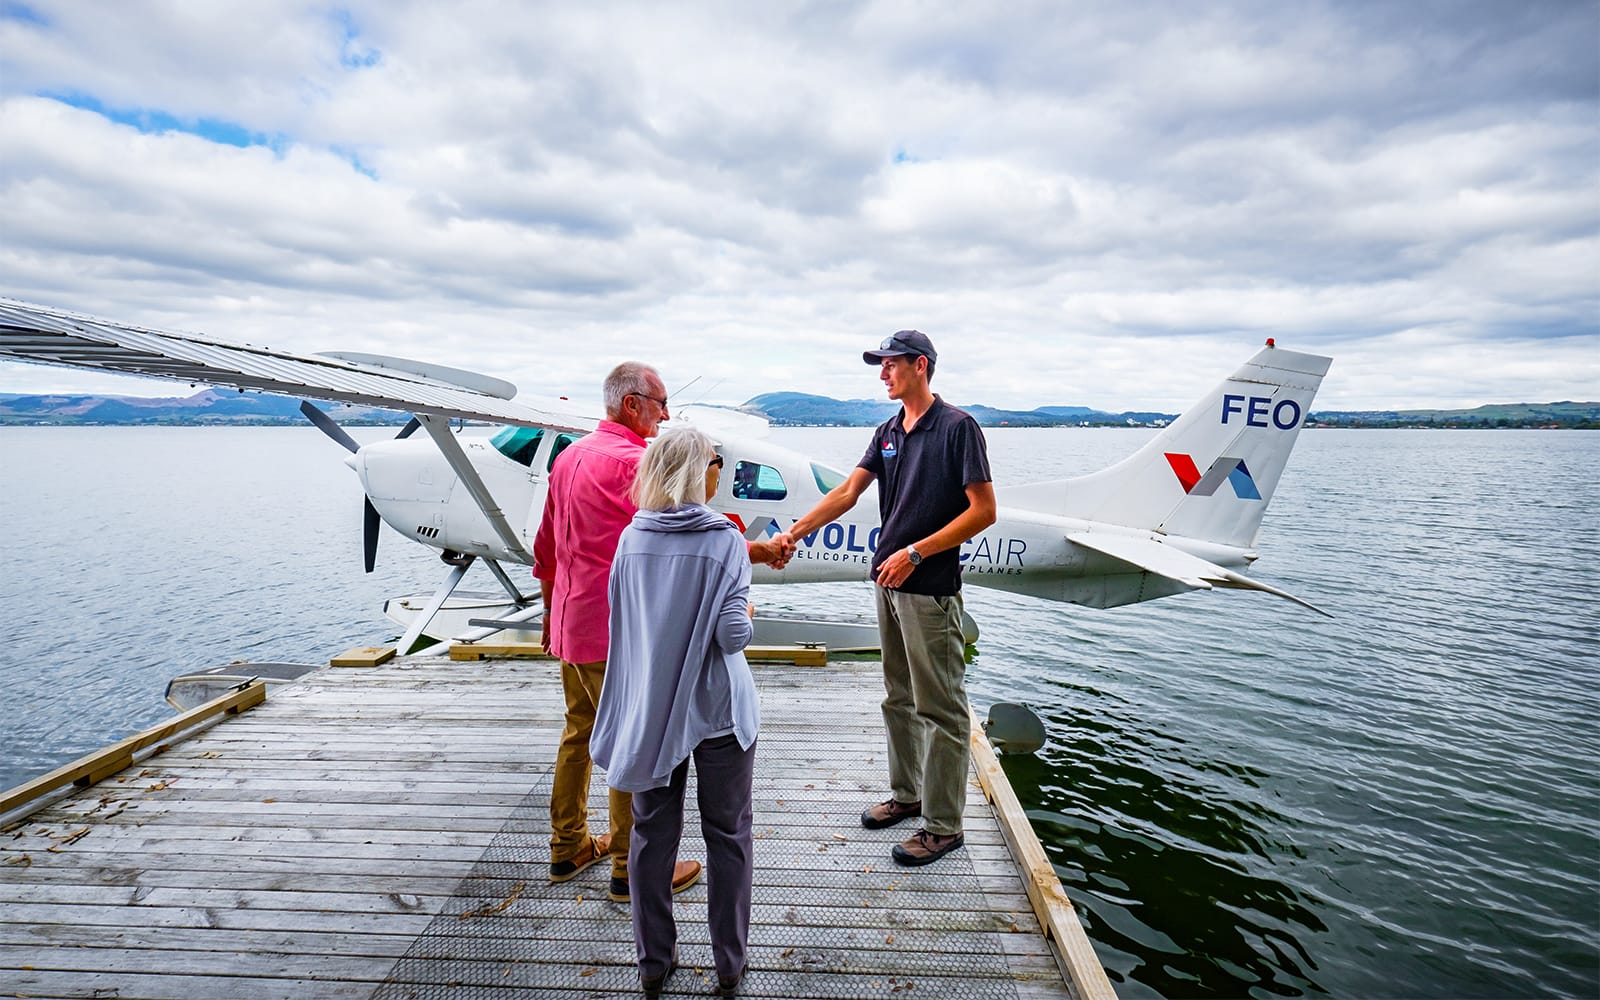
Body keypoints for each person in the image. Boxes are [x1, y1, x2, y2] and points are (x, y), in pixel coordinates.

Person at [533, 362, 791, 904]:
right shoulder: (639, 463)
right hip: (617, 630)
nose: (666, 415)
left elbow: (547, 545)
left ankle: (568, 846)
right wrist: (758, 552)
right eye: (660, 403)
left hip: (569, 621)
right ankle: (631, 866)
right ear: (633, 404)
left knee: (580, 730)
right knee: (634, 734)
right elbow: (682, 539)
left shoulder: (568, 457)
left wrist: (548, 612)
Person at [776, 330, 996, 867]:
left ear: (920, 366)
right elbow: (847, 493)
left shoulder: (958, 428)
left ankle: (944, 827)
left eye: (890, 364)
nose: (882, 374)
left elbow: (984, 511)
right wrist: (794, 533)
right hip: (887, 584)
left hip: (929, 589)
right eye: (880, 365)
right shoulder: (888, 431)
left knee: (941, 709)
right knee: (898, 697)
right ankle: (908, 795)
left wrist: (917, 553)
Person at [592, 425, 757, 1000]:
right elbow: (732, 635)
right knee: (728, 834)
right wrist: (747, 603)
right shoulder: (726, 540)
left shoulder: (631, 539)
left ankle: (653, 964)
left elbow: (626, 622)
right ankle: (729, 965)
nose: (721, 471)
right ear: (697, 471)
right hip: (716, 712)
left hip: (653, 713)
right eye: (716, 461)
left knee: (651, 836)